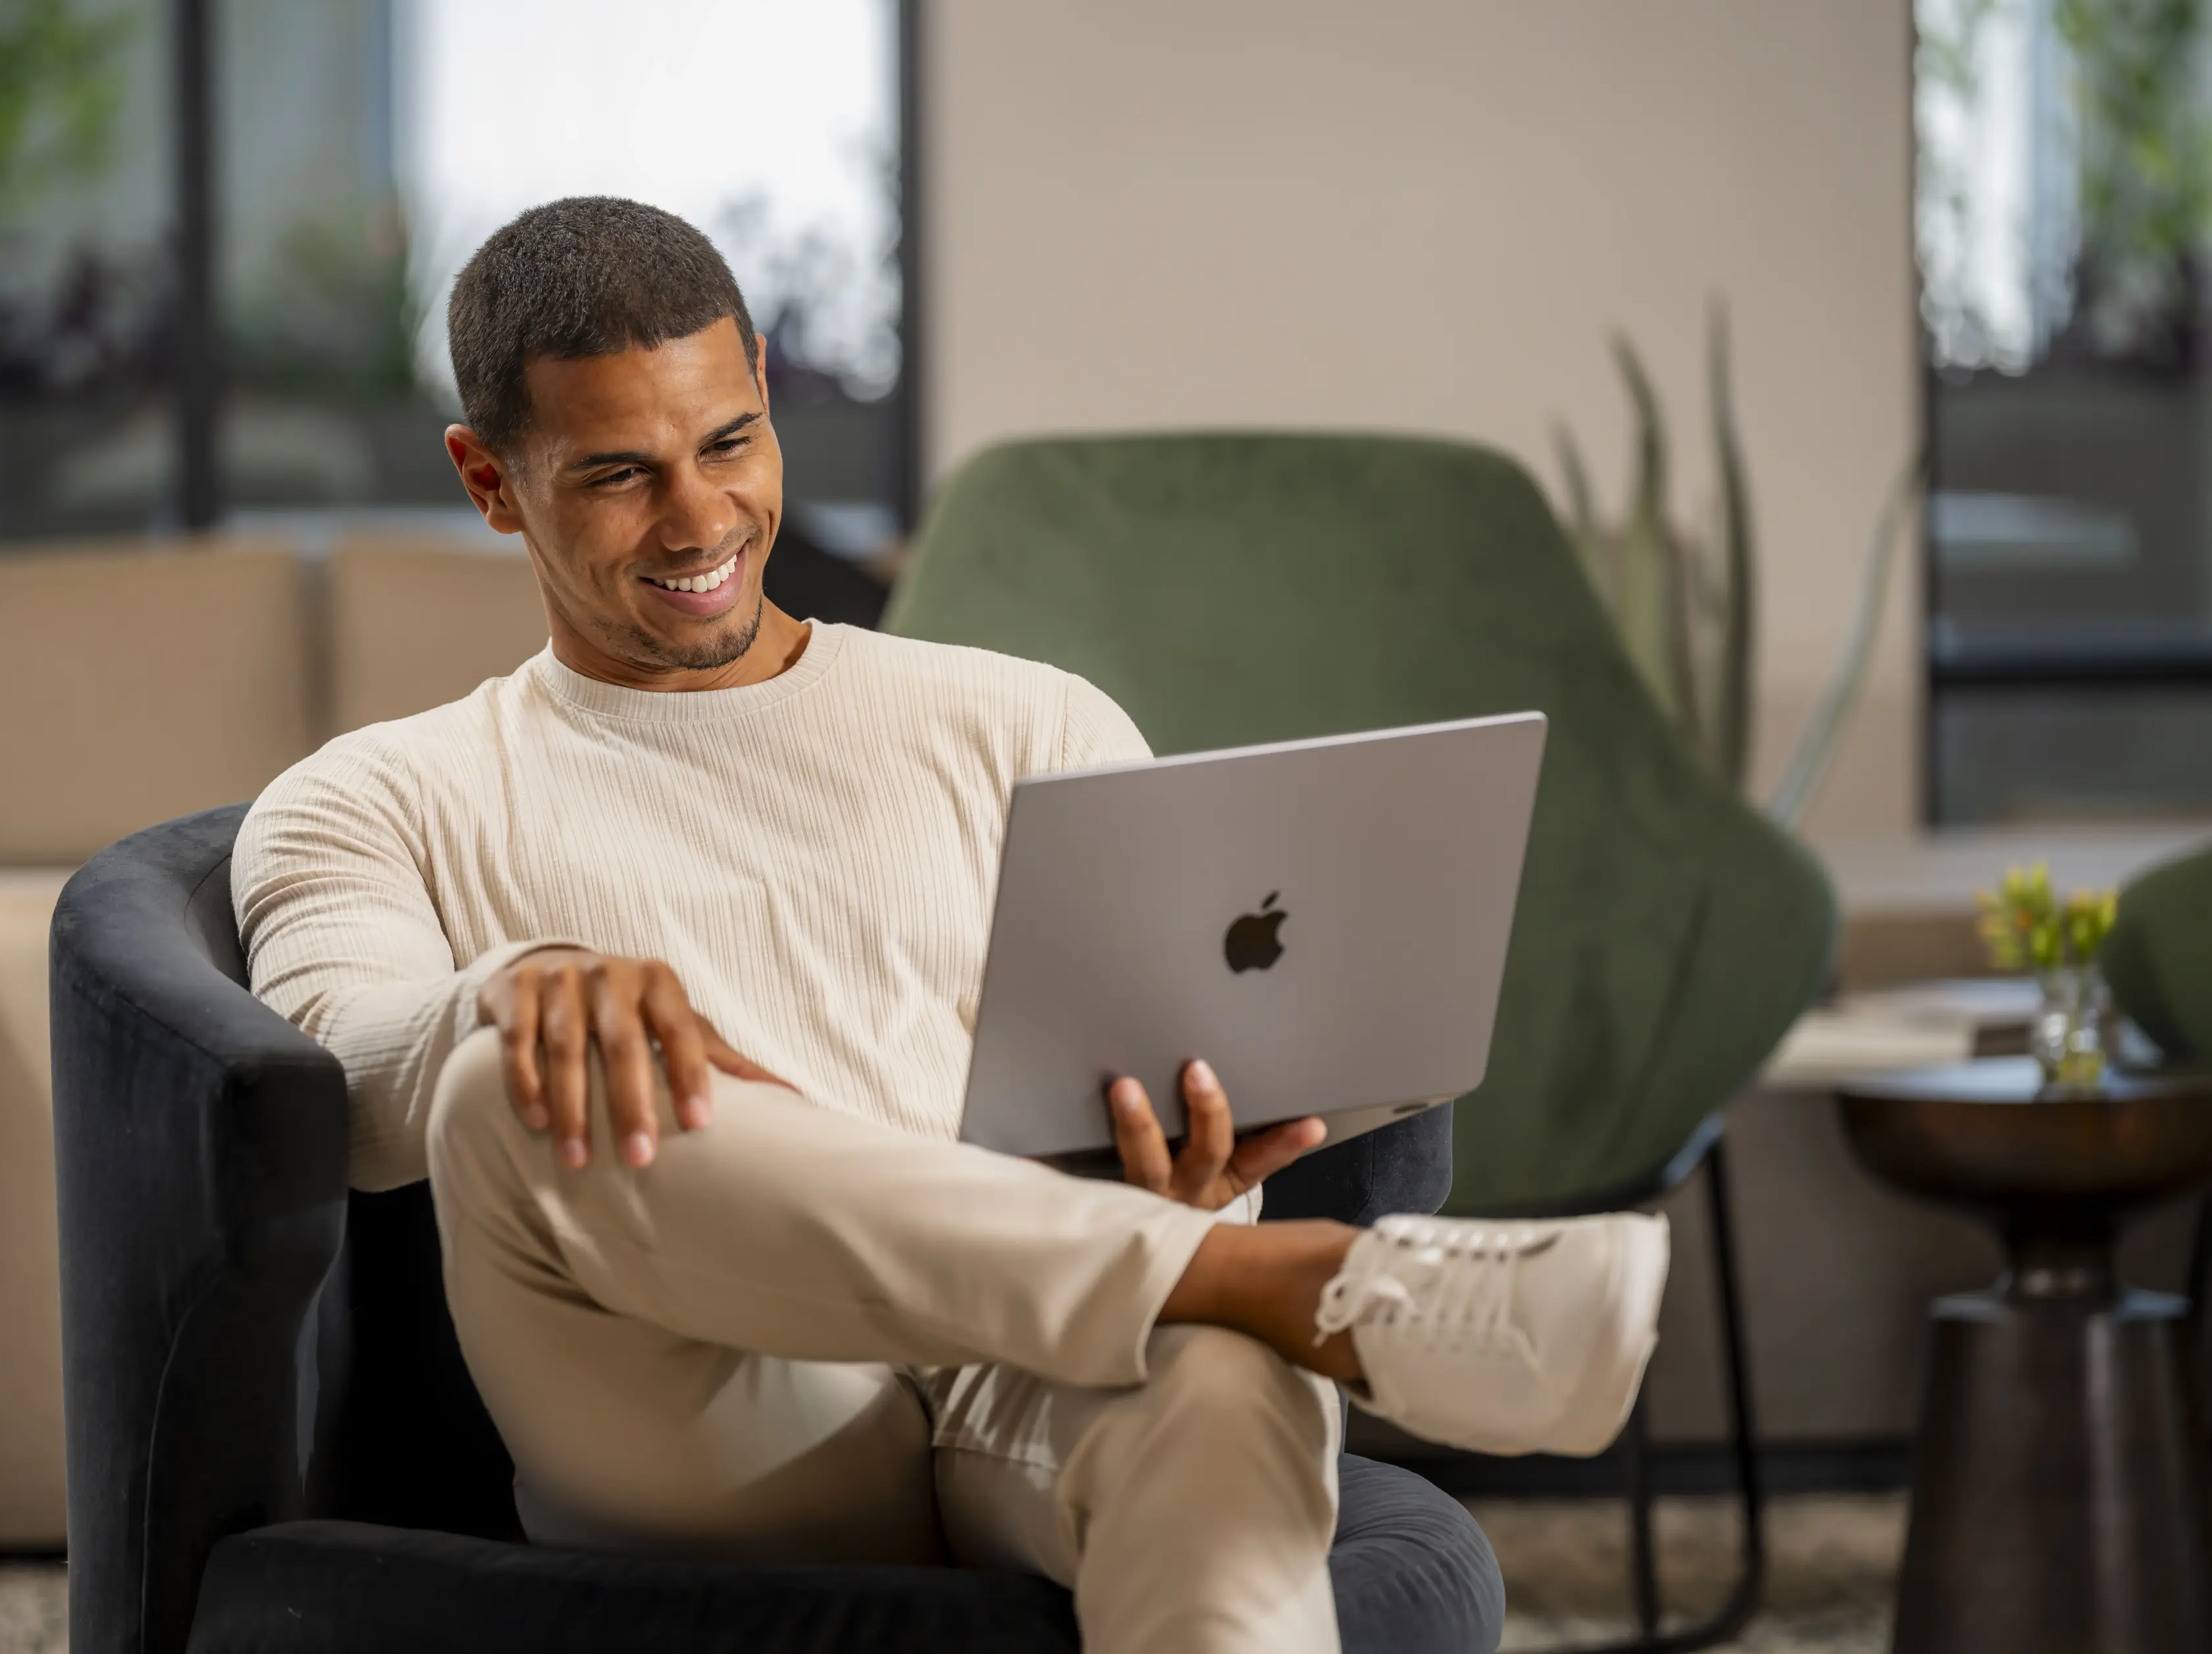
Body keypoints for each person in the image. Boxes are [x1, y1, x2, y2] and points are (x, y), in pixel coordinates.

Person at [234, 197, 1668, 1654]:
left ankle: (1228, 1285)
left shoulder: (1030, 721)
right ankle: (1307, 1293)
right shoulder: (372, 796)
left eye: (728, 442)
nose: (700, 519)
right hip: (713, 1417)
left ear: (766, 389)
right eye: (618, 474)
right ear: (489, 480)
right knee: (514, 1073)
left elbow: (1168, 1085)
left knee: (1225, 1380)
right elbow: (335, 1088)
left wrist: (1184, 1189)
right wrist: (520, 981)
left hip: (1048, 1370)